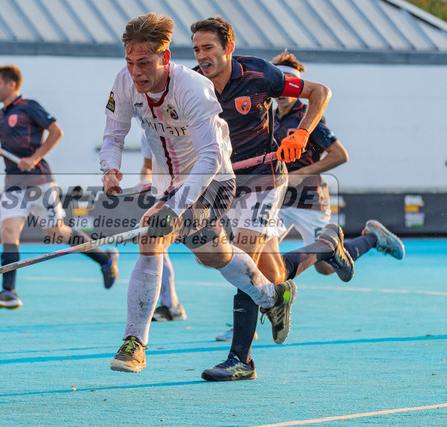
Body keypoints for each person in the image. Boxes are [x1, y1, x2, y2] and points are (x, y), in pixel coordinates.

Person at [100, 12, 347, 375]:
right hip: (179, 182)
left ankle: (232, 358)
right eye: (130, 62)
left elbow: (211, 157)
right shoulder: (127, 83)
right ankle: (280, 290)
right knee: (220, 257)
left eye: (144, 63)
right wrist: (110, 168)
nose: (136, 72)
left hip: (228, 179)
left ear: (165, 57)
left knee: (157, 238)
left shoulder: (213, 83)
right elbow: (113, 134)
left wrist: (302, 133)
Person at [184, 17, 358, 381]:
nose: (201, 56)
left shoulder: (260, 73)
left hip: (265, 179)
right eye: (196, 49)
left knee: (244, 258)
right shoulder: (192, 85)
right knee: (268, 273)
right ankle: (327, 246)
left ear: (228, 48)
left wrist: (302, 133)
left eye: (208, 48)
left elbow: (320, 91)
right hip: (227, 184)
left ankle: (241, 360)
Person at [0, 64, 118, 310]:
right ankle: (9, 291)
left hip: (39, 182)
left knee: (57, 233)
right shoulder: (0, 115)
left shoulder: (29, 106)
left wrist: (35, 158)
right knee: (8, 233)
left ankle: (104, 259)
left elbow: (56, 132)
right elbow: (13, 152)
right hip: (13, 185)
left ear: (11, 84)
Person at [272, 50, 405, 269]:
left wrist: (301, 174)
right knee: (259, 254)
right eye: (280, 83)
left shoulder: (307, 118)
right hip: (279, 199)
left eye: (290, 83)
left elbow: (340, 155)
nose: (284, 89)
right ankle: (278, 289)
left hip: (309, 201)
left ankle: (372, 238)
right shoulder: (269, 118)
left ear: (298, 86)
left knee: (326, 267)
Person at [140, 133, 185, 322]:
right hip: (168, 198)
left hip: (195, 194)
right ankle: (171, 305)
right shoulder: (146, 134)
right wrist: (144, 181)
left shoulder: (187, 124)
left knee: (219, 256)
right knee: (155, 244)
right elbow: (147, 166)